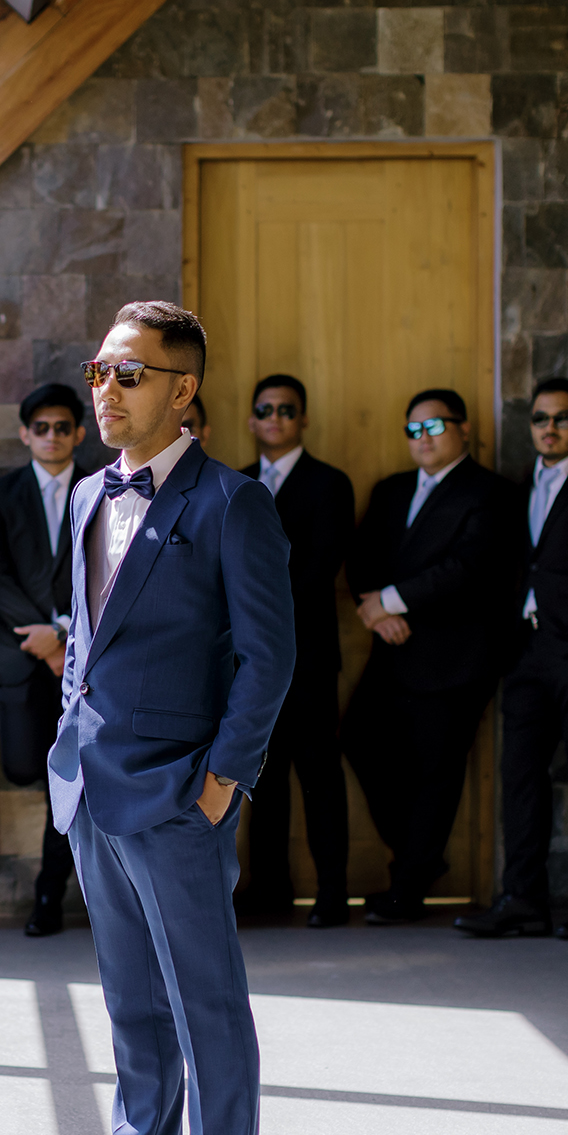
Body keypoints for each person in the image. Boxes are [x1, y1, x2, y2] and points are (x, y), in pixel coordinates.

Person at [34, 302, 293, 1135]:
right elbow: (85, 634)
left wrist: (223, 778)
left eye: (129, 374)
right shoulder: (85, 495)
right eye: (100, 370)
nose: (106, 389)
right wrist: (70, 731)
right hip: (91, 783)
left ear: (183, 391)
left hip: (181, 790)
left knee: (204, 1001)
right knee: (131, 993)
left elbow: (269, 657)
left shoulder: (231, 503)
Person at [456, 377, 568, 942]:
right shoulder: (525, 484)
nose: (550, 428)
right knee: (520, 776)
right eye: (540, 418)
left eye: (562, 418)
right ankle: (524, 901)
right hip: (528, 651)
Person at [342, 388, 519, 924]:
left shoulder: (491, 492)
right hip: (392, 647)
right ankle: (419, 858)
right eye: (414, 430)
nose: (423, 438)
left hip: (455, 657)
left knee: (435, 772)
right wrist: (375, 612)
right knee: (359, 738)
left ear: (463, 429)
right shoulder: (392, 489)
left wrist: (391, 601)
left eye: (435, 426)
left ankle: (409, 887)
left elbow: (468, 568)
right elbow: (362, 555)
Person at [236, 373, 356, 926]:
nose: (276, 418)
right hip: (247, 660)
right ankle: (269, 890)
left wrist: (257, 611)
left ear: (302, 418)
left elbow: (320, 566)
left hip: (307, 655)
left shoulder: (330, 483)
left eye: (287, 409)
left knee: (318, 775)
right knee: (261, 776)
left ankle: (333, 892)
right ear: (252, 419)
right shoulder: (235, 482)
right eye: (265, 409)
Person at [0, 382, 92, 936]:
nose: (51, 436)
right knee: (24, 766)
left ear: (79, 433)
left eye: (62, 427)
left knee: (68, 782)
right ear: (24, 434)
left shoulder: (101, 490)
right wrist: (43, 637)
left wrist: (64, 633)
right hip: (22, 655)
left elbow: (107, 571)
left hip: (82, 659)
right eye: (40, 428)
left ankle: (50, 893)